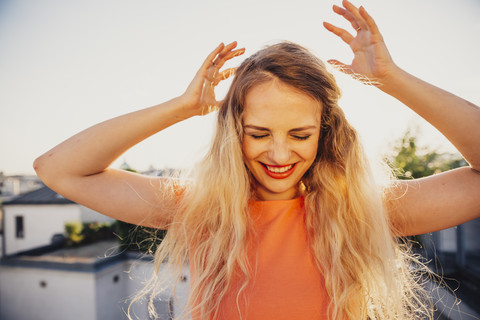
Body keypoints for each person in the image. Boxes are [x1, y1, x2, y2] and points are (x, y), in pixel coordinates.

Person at [34, 1, 480, 319]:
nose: (281, 154)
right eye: (259, 133)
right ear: (234, 132)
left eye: (300, 134)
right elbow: (58, 169)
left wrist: (392, 79)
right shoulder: (204, 210)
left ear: (326, 135)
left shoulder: (362, 211)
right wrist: (183, 106)